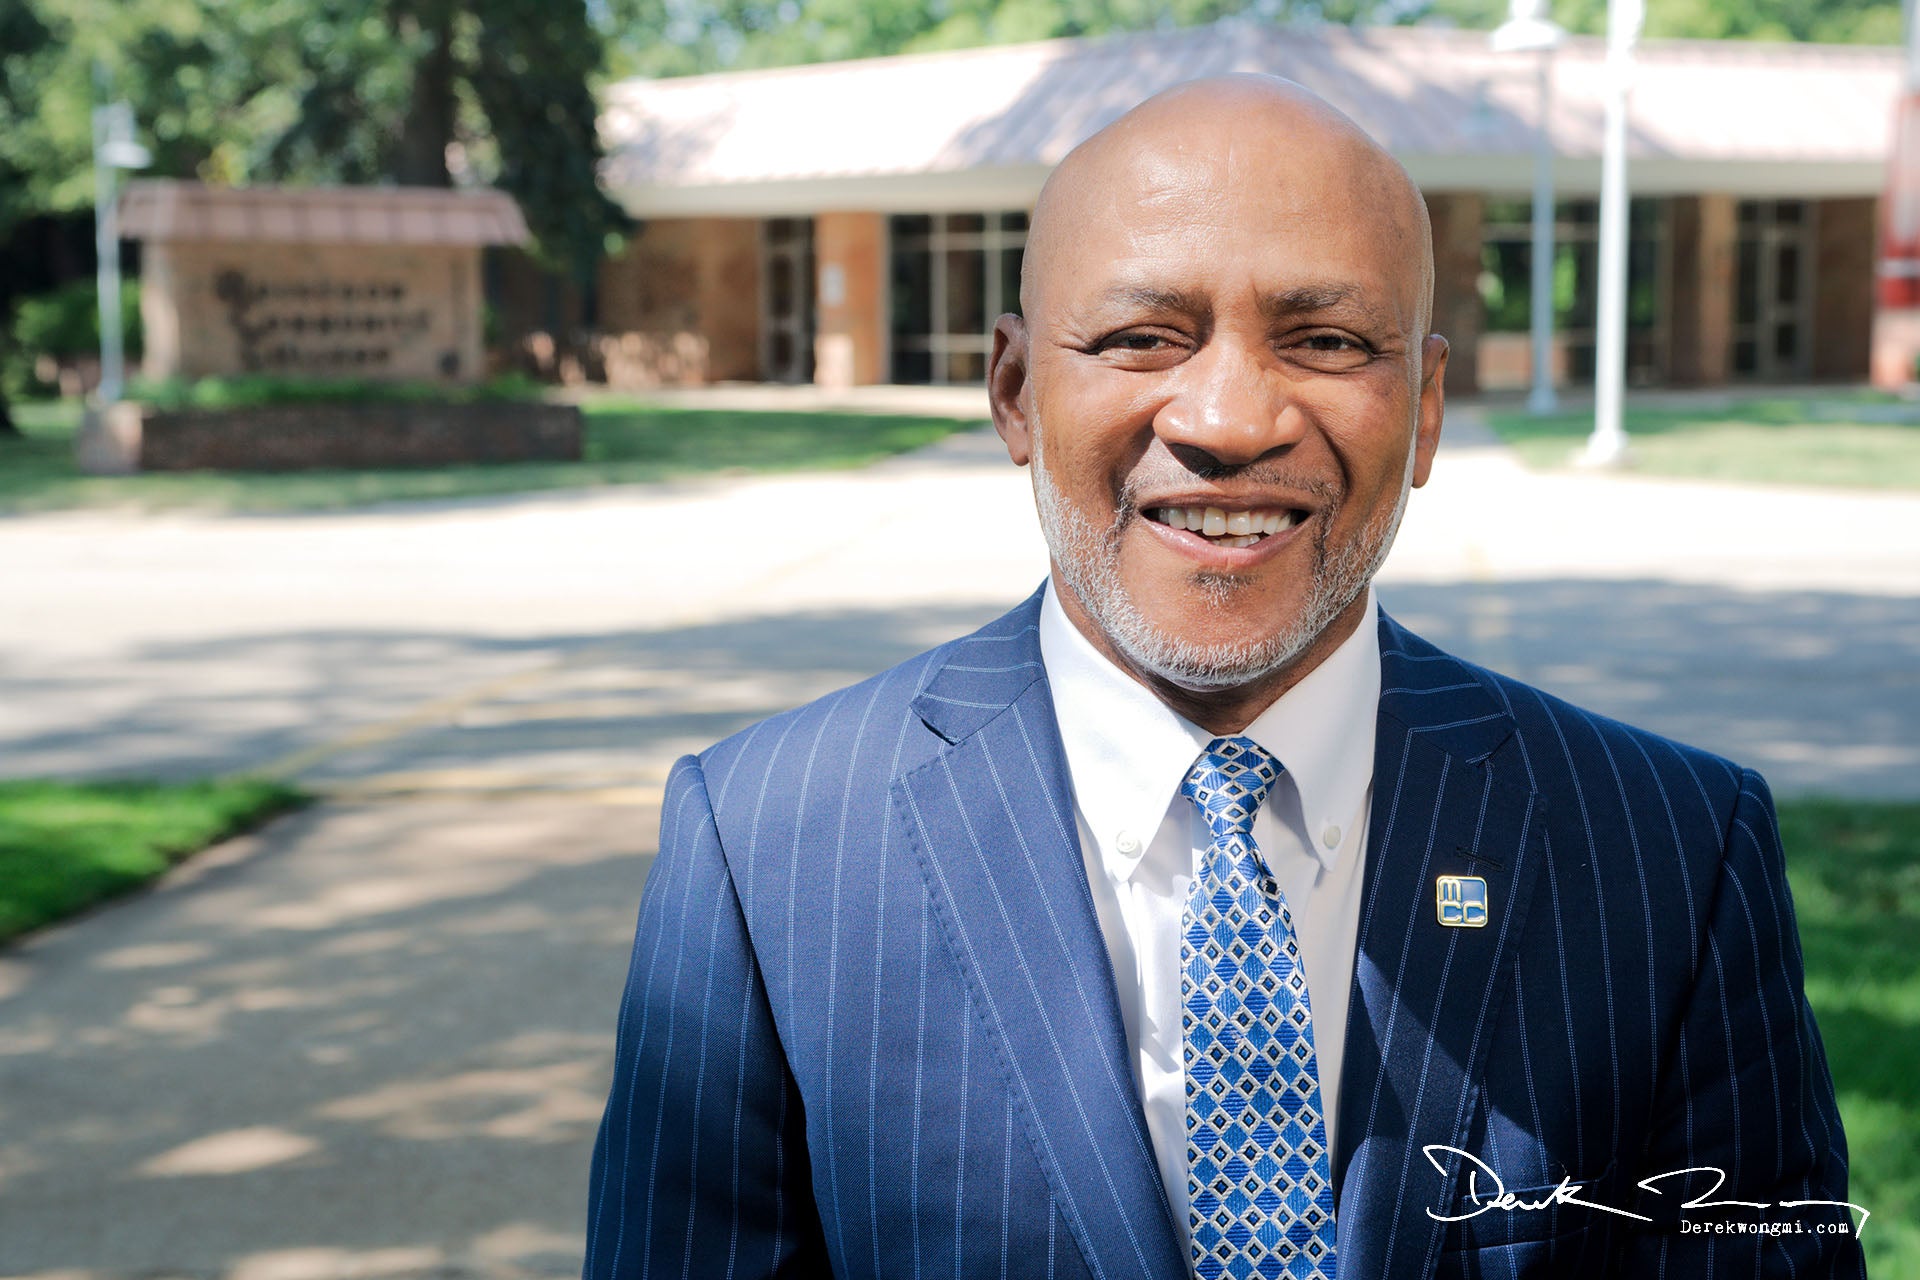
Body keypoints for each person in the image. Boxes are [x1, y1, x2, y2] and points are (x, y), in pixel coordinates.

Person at [582, 76, 1862, 1279]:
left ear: (1423, 411)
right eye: (1144, 335)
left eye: (1324, 339)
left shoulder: (1671, 850)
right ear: (1016, 390)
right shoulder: (768, 842)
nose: (1230, 419)